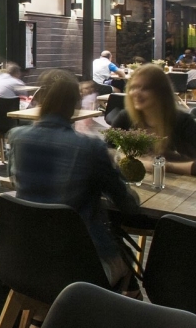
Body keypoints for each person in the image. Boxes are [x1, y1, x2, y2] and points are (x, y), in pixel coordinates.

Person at [8, 69, 140, 283]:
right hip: (78, 268)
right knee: (126, 260)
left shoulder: (17, 138)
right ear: (75, 104)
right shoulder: (90, 148)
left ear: (38, 99)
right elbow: (126, 204)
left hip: (21, 259)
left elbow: (17, 183)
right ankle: (113, 303)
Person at [111, 65, 196, 177]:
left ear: (161, 92)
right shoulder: (126, 117)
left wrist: (164, 166)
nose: (136, 93)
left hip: (180, 186)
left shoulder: (183, 122)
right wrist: (129, 160)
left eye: (145, 88)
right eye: (133, 87)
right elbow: (106, 151)